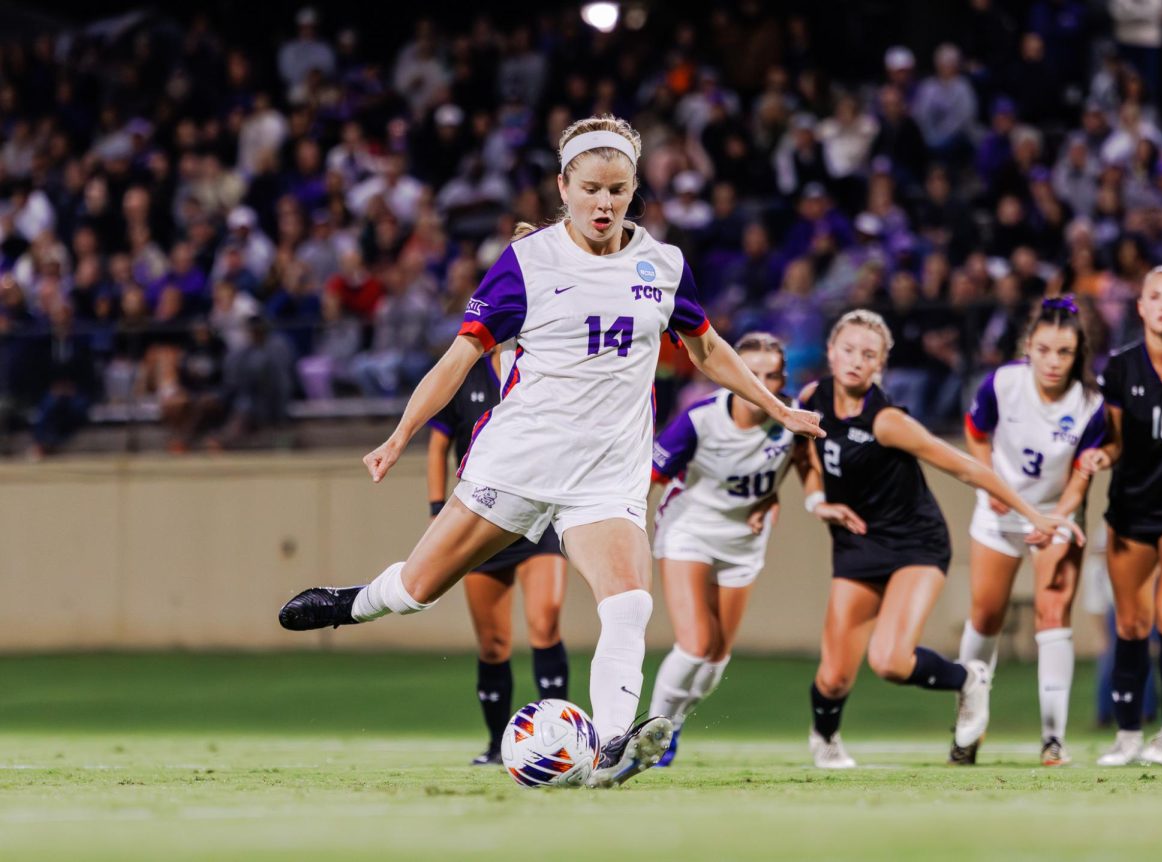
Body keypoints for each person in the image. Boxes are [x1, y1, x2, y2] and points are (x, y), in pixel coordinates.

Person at [277, 115, 825, 788]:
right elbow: (458, 359)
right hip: (518, 463)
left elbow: (707, 348)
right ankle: (353, 602)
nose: (604, 204)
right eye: (591, 188)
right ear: (562, 186)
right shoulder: (527, 264)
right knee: (418, 590)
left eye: (618, 190)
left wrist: (774, 407)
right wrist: (401, 434)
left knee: (628, 605)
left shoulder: (663, 263)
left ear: (633, 190)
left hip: (607, 475)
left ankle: (611, 750)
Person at [800, 309, 1084, 769]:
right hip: (855, 542)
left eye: (867, 354)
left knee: (890, 661)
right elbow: (802, 453)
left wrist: (1035, 514)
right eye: (847, 350)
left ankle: (969, 679)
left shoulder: (887, 420)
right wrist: (816, 501)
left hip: (915, 542)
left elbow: (967, 467)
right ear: (830, 352)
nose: (856, 360)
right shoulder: (813, 398)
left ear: (881, 365)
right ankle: (826, 738)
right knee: (832, 678)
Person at [955, 296, 1106, 766]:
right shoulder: (1003, 383)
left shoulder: (1091, 402)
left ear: (1078, 352)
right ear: (1028, 346)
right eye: (1044, 350)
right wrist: (990, 482)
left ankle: (1052, 739)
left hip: (1057, 515)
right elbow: (975, 433)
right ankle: (966, 724)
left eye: (1064, 352)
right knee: (985, 616)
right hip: (999, 513)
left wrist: (1057, 519)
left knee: (1053, 614)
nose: (1053, 361)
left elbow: (1083, 474)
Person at [647, 332, 798, 766]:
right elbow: (650, 478)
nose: (762, 384)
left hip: (744, 544)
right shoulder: (699, 420)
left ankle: (672, 726)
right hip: (688, 532)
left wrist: (772, 498)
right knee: (696, 643)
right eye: (752, 374)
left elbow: (799, 462)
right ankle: (650, 732)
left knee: (715, 658)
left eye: (772, 376)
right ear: (730, 374)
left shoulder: (789, 419)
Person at [1078, 266, 1162, 766]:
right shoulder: (1121, 369)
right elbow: (1112, 440)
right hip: (1131, 510)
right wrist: (1100, 457)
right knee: (1129, 625)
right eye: (1156, 296)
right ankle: (1128, 735)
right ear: (1142, 308)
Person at [426, 348, 569, 766]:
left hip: (535, 517)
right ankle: (496, 745)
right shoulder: (464, 375)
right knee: (493, 644)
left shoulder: (544, 367)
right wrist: (438, 511)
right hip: (480, 519)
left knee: (545, 622)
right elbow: (438, 445)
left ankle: (559, 739)